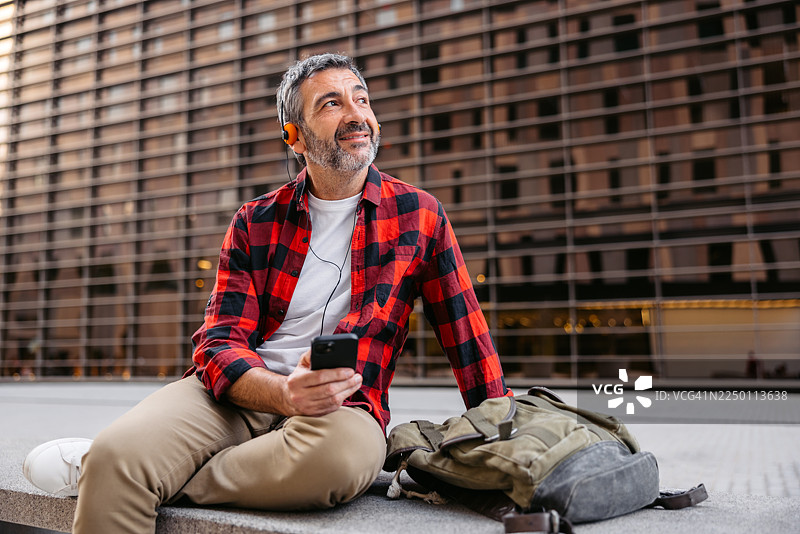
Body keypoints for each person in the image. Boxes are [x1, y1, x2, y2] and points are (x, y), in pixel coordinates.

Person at [23, 53, 511, 534]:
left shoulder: (418, 213)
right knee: (118, 454)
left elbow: (466, 336)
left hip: (341, 408)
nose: (357, 113)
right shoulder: (256, 220)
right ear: (294, 136)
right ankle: (117, 467)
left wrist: (505, 432)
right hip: (237, 394)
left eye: (361, 99)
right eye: (331, 104)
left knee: (340, 462)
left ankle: (129, 475)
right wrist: (281, 392)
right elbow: (217, 342)